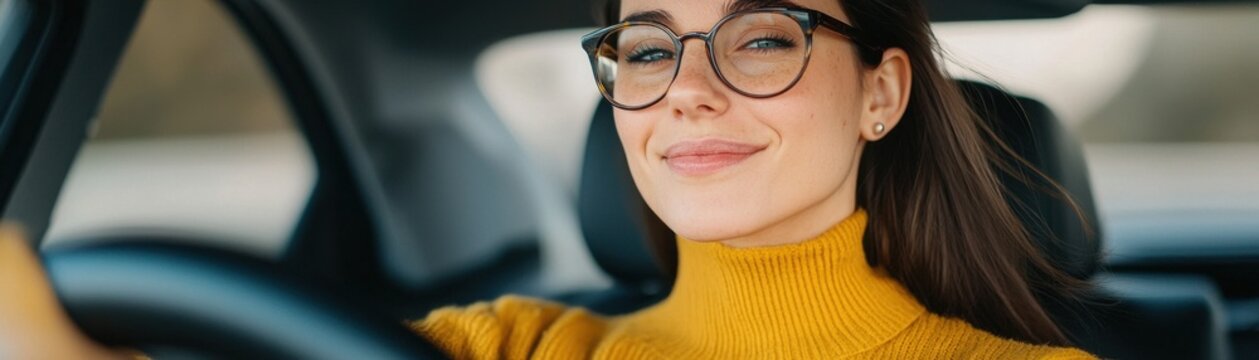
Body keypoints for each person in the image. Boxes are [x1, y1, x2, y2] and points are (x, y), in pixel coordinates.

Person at [0, 0, 1097, 358]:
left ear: (881, 94)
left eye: (761, 39)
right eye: (649, 47)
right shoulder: (508, 347)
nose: (685, 91)